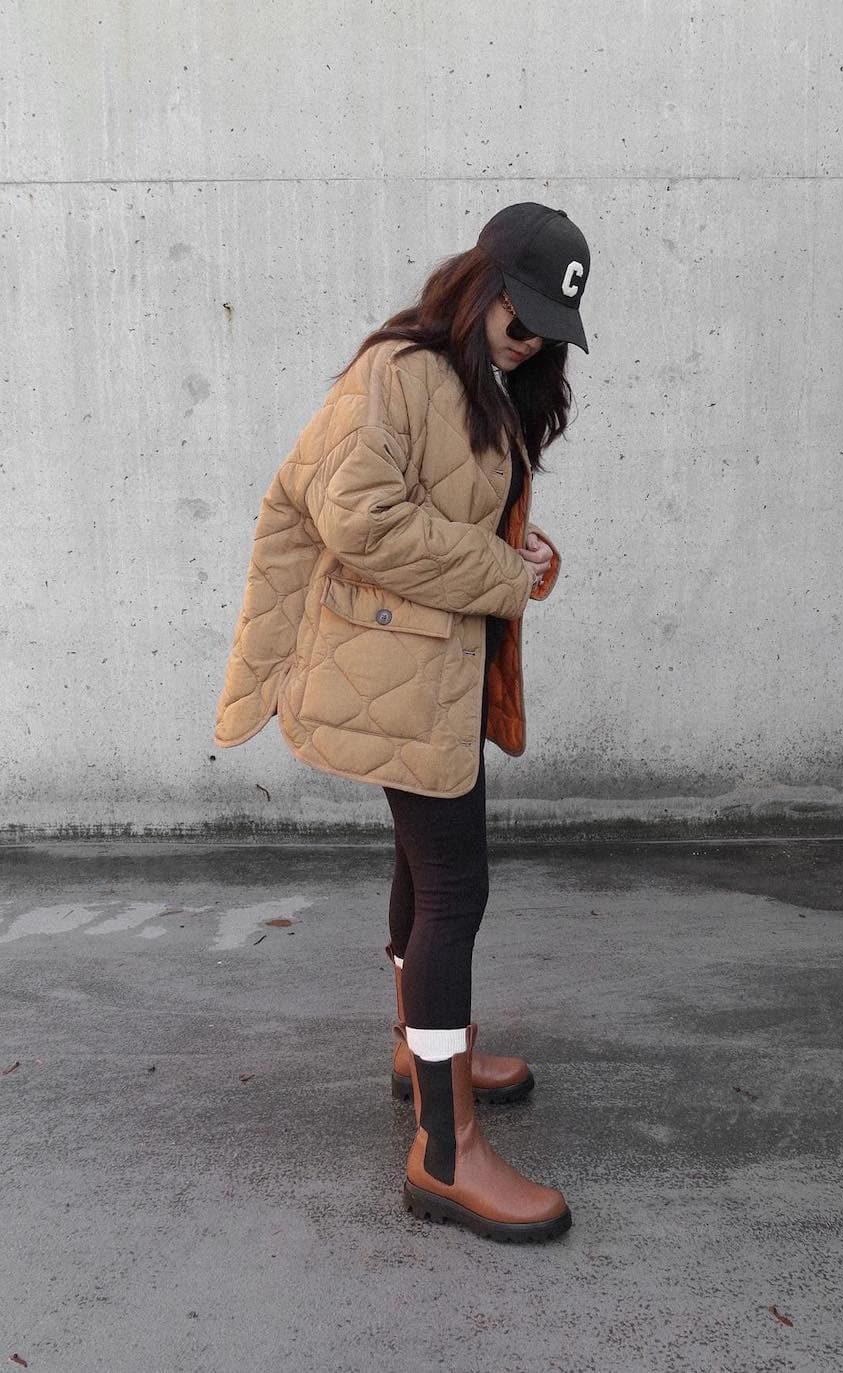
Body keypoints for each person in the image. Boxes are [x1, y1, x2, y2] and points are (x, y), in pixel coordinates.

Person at [214, 202, 591, 1243]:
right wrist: (500, 574)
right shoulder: (398, 370)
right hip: (400, 668)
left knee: (428, 876)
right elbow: (360, 516)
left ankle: (419, 1047)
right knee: (456, 889)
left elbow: (448, 516)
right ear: (478, 283)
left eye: (547, 332)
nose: (530, 342)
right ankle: (444, 1148)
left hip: (431, 668)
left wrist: (520, 549)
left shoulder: (473, 383)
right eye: (519, 316)